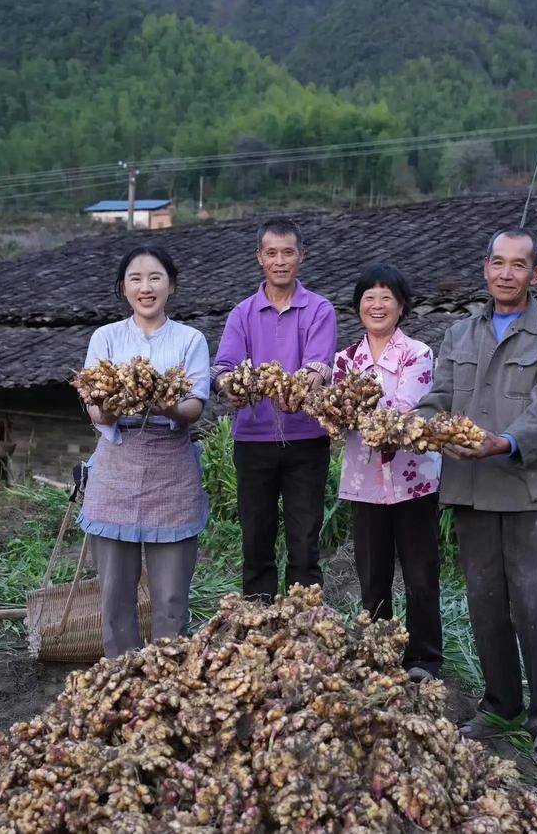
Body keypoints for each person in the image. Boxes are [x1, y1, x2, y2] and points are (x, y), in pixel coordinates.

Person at [414, 227, 537, 769]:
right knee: (485, 607)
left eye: (518, 265)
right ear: (485, 268)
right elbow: (436, 400)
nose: (505, 273)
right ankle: (501, 704)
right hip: (473, 493)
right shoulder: (460, 333)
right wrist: (424, 427)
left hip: (533, 493)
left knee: (534, 605)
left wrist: (503, 443)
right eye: (497, 262)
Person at [78, 244, 210, 658]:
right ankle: (121, 677)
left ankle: (168, 683)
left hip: (171, 467)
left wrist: (161, 399)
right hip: (116, 465)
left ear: (171, 286)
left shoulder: (191, 339)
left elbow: (194, 407)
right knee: (116, 594)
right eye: (135, 279)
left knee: (170, 597)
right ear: (123, 288)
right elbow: (94, 405)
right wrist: (111, 402)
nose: (146, 287)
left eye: (155, 278)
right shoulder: (106, 337)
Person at [211, 217, 337, 601]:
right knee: (256, 540)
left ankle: (306, 627)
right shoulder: (242, 313)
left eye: (288, 252)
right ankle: (256, 625)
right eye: (271, 253)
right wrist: (228, 387)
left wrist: (300, 383)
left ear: (302, 256)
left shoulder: (319, 309)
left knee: (304, 542)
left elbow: (318, 368)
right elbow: (223, 368)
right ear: (259, 258)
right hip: (252, 441)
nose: (280, 261)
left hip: (307, 441)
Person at [335, 263, 442, 683]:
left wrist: (350, 410)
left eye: (386, 298)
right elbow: (337, 417)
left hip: (413, 481)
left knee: (419, 573)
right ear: (358, 306)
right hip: (364, 483)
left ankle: (425, 659)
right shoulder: (346, 360)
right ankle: (380, 653)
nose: (377, 305)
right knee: (373, 574)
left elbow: (400, 412)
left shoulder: (418, 354)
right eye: (369, 298)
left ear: (401, 307)